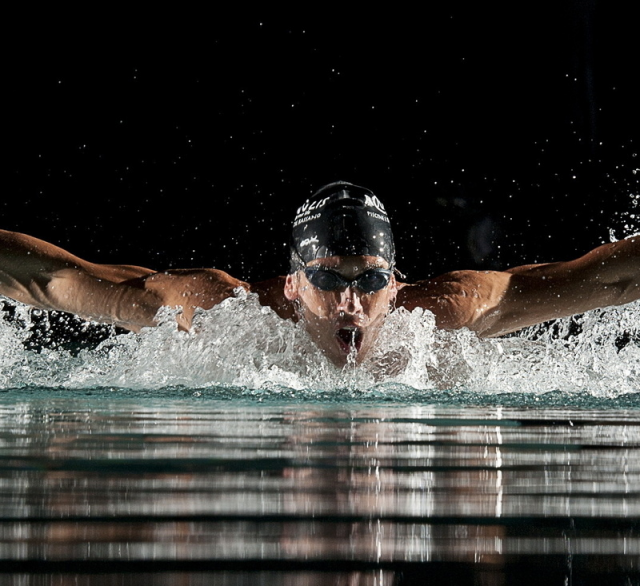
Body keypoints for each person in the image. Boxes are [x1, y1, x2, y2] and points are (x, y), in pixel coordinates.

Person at [0, 182, 637, 367]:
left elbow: (604, 281)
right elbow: (53, 279)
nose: (352, 304)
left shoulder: (446, 311)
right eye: (329, 281)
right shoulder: (224, 316)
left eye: (369, 281)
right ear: (293, 285)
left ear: (395, 284)